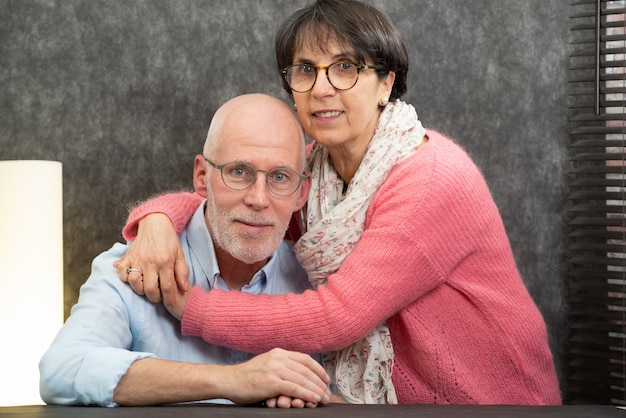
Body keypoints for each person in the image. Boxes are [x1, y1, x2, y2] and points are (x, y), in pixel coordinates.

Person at [116, 0, 562, 405]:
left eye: (345, 67)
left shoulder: (431, 178)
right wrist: (155, 220)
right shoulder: (318, 173)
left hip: (491, 405)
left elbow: (337, 317)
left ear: (386, 83)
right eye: (305, 69)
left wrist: (190, 307)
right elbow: (241, 199)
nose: (322, 88)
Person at [38, 93, 333, 408]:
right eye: (239, 172)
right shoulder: (136, 266)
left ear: (301, 192)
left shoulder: (320, 282)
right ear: (202, 177)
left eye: (279, 177)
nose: (259, 199)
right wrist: (237, 380)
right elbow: (62, 369)